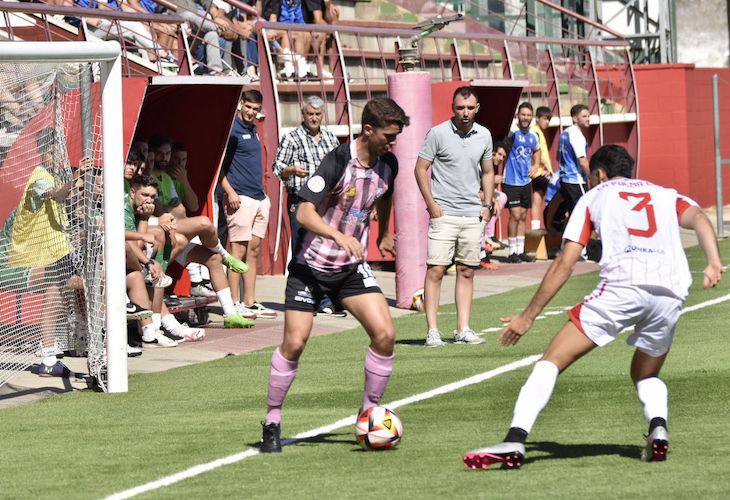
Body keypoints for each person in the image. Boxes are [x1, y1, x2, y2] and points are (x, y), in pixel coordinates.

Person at [462, 145, 724, 470]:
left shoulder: (593, 197)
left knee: (551, 361)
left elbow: (565, 263)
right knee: (644, 372)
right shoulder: (664, 194)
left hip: (623, 287)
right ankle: (658, 427)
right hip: (671, 289)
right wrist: (713, 261)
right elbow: (699, 216)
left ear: (598, 174)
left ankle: (515, 440)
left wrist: (527, 317)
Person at [259, 97, 409, 453]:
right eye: (389, 135)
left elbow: (384, 198)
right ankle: (272, 420)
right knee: (295, 343)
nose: (393, 142)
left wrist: (385, 232)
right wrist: (340, 235)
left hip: (349, 269)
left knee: (385, 334)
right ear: (368, 130)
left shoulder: (389, 164)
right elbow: (304, 213)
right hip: (310, 267)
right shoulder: (338, 160)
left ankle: (369, 411)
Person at [415, 86, 496, 347]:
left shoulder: (484, 135)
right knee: (436, 270)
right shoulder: (437, 133)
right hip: (444, 214)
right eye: (460, 108)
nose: (465, 113)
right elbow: (420, 169)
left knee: (467, 271)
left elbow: (488, 172)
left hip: (473, 214)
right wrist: (431, 205)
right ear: (453, 107)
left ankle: (463, 329)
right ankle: (433, 331)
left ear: (477, 108)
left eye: (470, 108)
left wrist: (487, 205)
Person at [273, 95, 344, 316]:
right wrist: (291, 170)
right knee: (302, 250)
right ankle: (302, 299)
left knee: (324, 251)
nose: (313, 118)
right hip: (301, 202)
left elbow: (342, 168)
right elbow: (277, 167)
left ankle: (325, 298)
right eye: (310, 114)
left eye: (317, 114)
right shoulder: (292, 138)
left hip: (326, 204)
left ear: (322, 115)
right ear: (303, 115)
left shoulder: (331, 139)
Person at [221, 90, 277, 320]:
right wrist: (230, 192)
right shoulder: (232, 130)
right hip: (240, 198)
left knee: (253, 251)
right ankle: (233, 303)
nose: (251, 112)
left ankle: (250, 302)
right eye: (248, 107)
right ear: (240, 105)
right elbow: (219, 166)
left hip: (259, 197)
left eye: (255, 109)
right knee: (238, 251)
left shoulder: (253, 129)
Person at [502, 102, 540, 263]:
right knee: (515, 215)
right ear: (518, 115)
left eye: (529, 115)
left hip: (526, 181)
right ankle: (511, 252)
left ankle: (520, 250)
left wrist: (536, 165)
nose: (526, 118)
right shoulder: (512, 133)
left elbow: (537, 151)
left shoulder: (533, 136)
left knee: (523, 216)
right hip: (511, 180)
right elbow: (501, 147)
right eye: (523, 114)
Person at [557, 104, 590, 219]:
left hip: (564, 180)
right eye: (584, 116)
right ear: (575, 118)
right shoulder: (577, 135)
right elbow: (582, 161)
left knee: (572, 213)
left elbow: (558, 157)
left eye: (588, 116)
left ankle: (567, 237)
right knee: (582, 214)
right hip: (576, 181)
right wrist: (591, 177)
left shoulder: (564, 133)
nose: (588, 119)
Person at [529, 106, 554, 231]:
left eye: (548, 119)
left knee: (538, 198)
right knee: (558, 189)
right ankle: (552, 225)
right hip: (540, 172)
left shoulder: (537, 131)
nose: (547, 122)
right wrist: (549, 170)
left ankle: (536, 226)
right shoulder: (535, 131)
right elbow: (538, 154)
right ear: (537, 118)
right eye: (545, 118)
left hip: (539, 171)